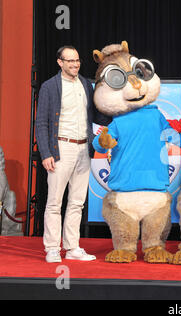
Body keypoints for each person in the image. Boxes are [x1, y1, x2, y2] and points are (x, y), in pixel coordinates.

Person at [35, 45, 110, 263]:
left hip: (84, 148)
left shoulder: (86, 84)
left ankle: (72, 247)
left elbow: (96, 116)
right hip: (61, 148)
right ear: (60, 62)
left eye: (77, 60)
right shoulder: (50, 87)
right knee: (55, 202)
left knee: (77, 202)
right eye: (70, 61)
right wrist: (46, 153)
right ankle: (51, 248)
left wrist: (119, 116)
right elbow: (41, 123)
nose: (75, 64)